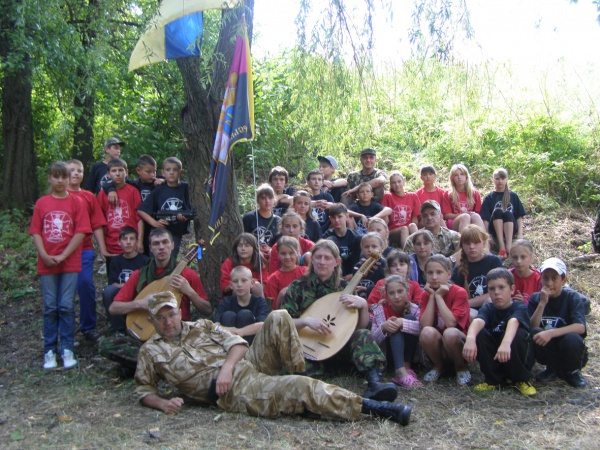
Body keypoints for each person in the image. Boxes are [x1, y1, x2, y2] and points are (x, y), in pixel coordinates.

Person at [135, 292, 412, 425]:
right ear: (151, 320)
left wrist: (227, 367)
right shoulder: (150, 351)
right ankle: (377, 408)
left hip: (245, 364)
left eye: (171, 314)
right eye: (161, 317)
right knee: (301, 387)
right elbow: (144, 390)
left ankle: (296, 378)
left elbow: (238, 343)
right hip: (232, 390)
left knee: (279, 316)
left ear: (178, 311)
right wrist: (162, 403)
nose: (168, 321)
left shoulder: (201, 325)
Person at [281, 240, 399, 402]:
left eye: (327, 258)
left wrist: (363, 306)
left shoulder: (345, 287)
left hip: (339, 348)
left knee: (363, 335)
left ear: (336, 262)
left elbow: (360, 326)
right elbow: (283, 323)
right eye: (318, 257)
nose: (322, 262)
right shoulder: (298, 287)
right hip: (309, 350)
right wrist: (306, 321)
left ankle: (375, 383)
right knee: (293, 367)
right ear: (312, 259)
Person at [99, 228, 211, 370]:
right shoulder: (140, 274)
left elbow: (207, 310)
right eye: (156, 243)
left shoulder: (187, 275)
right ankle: (158, 364)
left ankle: (145, 364)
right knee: (106, 345)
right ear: (150, 248)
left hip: (175, 336)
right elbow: (114, 308)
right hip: (146, 335)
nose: (161, 247)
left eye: (165, 242)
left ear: (172, 245)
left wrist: (189, 291)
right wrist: (140, 304)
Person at [29, 162, 92, 369]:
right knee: (50, 307)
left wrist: (65, 254)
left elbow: (81, 231)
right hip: (46, 262)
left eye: (63, 177)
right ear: (49, 178)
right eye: (56, 176)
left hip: (70, 262)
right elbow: (36, 231)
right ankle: (49, 350)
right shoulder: (42, 203)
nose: (60, 181)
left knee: (66, 306)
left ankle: (67, 348)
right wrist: (45, 255)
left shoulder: (77, 202)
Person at [462, 268, 536, 396]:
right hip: (496, 357)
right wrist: (470, 339)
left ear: (512, 289)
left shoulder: (520, 306)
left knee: (518, 333)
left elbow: (514, 321)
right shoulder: (488, 308)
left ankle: (520, 380)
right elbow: (478, 321)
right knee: (479, 333)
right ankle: (494, 380)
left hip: (513, 355)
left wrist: (506, 343)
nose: (496, 292)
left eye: (501, 287)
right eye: (492, 289)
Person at [66, 159, 111, 342]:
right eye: (71, 170)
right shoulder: (58, 196)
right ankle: (66, 332)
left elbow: (97, 224)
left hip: (84, 250)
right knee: (65, 292)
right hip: (61, 252)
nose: (76, 174)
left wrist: (102, 248)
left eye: (79, 170)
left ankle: (88, 327)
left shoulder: (88, 196)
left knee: (86, 285)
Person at [528, 258, 588, 388]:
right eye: (545, 278)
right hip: (548, 347)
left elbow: (580, 327)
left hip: (567, 345)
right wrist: (542, 303)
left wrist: (551, 333)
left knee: (572, 339)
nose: (549, 283)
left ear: (563, 280)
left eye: (554, 279)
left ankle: (572, 371)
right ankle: (552, 368)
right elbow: (532, 326)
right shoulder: (535, 298)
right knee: (535, 332)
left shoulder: (572, 297)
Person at [419, 255, 471, 385]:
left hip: (458, 342)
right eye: (430, 273)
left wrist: (439, 297)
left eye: (439, 272)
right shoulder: (426, 294)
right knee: (426, 332)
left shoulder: (459, 292)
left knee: (450, 333)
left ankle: (460, 368)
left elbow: (451, 323)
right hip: (439, 346)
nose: (434, 277)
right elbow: (425, 324)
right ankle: (438, 367)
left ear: (448, 274)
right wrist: (432, 296)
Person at [103, 155, 165, 255]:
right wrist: (111, 189)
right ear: (138, 170)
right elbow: (109, 183)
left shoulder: (157, 183)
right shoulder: (134, 184)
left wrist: (163, 180)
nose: (152, 175)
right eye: (148, 172)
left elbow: (171, 182)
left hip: (154, 224)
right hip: (140, 224)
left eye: (154, 172)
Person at [371, 275, 423, 388]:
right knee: (393, 325)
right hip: (389, 355)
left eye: (400, 291)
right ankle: (400, 371)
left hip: (411, 356)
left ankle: (406, 368)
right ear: (386, 295)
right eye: (391, 293)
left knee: (409, 319)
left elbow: (422, 329)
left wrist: (402, 322)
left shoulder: (414, 309)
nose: (396, 296)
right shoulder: (380, 311)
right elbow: (372, 340)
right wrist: (383, 327)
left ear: (407, 291)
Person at [138, 157, 192, 260]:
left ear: (181, 172)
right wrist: (154, 223)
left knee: (170, 260)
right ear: (163, 172)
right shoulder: (158, 189)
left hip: (175, 232)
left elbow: (189, 210)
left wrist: (185, 217)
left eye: (175, 170)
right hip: (159, 231)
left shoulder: (186, 188)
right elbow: (141, 210)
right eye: (168, 170)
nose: (171, 172)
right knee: (154, 260)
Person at [97, 158, 143, 273]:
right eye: (114, 171)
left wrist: (140, 240)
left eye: (120, 170)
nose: (117, 174)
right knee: (114, 279)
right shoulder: (102, 195)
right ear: (108, 174)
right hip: (112, 246)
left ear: (126, 172)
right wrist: (102, 247)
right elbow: (99, 223)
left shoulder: (133, 191)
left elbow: (139, 218)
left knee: (133, 278)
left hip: (132, 244)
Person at [102, 227, 149, 334]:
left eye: (131, 239)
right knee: (108, 291)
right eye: (124, 239)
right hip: (121, 295)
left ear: (137, 242)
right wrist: (127, 286)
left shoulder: (145, 260)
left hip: (139, 294)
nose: (128, 242)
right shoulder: (115, 261)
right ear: (119, 242)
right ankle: (118, 329)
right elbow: (112, 283)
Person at [451, 225, 503, 320]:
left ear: (484, 243)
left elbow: (498, 292)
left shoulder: (494, 262)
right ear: (462, 245)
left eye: (476, 243)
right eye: (467, 243)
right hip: (470, 312)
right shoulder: (459, 268)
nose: (472, 247)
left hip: (492, 308)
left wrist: (468, 303)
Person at [215, 266, 270, 344]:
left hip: (252, 345)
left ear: (252, 283)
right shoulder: (226, 301)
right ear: (231, 285)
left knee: (245, 314)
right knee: (228, 315)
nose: (239, 284)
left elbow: (263, 324)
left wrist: (240, 331)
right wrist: (231, 330)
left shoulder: (259, 302)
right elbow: (215, 326)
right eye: (235, 281)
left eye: (244, 281)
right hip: (228, 343)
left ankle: (245, 349)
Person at [480, 168, 527, 259]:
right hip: (495, 228)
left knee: (508, 213)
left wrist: (520, 233)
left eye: (502, 178)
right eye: (497, 179)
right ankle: (502, 246)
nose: (500, 181)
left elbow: (519, 216)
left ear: (506, 179)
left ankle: (508, 246)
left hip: (511, 226)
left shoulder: (513, 195)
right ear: (493, 179)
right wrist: (487, 234)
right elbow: (485, 218)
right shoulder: (489, 198)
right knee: (497, 211)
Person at [264, 236, 308, 308]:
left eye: (291, 253)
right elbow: (273, 307)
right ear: (277, 254)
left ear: (297, 253)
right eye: (283, 253)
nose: (287, 257)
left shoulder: (306, 272)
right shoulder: (273, 279)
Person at [220, 233, 267, 299]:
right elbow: (225, 288)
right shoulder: (229, 262)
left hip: (254, 296)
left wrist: (250, 283)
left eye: (247, 245)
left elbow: (263, 284)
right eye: (240, 245)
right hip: (233, 297)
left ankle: (261, 306)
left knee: (256, 286)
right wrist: (244, 282)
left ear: (254, 248)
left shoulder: (259, 263)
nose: (243, 248)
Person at [242, 184, 281, 264]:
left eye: (270, 198)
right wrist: (256, 248)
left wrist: (270, 249)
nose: (267, 201)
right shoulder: (249, 218)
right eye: (263, 198)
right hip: (252, 256)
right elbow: (243, 239)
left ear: (274, 199)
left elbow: (280, 243)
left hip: (272, 257)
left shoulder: (278, 221)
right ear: (257, 200)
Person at [322, 203, 362, 277]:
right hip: (334, 272)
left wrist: (353, 274)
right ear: (330, 219)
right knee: (330, 241)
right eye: (333, 217)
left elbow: (360, 259)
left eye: (339, 216)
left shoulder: (355, 236)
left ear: (347, 217)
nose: (336, 220)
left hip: (352, 272)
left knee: (360, 240)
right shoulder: (327, 236)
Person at [382, 171, 420, 248]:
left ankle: (419, 247)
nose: (397, 184)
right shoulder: (388, 197)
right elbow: (385, 219)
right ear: (390, 185)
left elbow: (415, 219)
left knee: (412, 225)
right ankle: (406, 252)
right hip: (393, 231)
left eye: (399, 181)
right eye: (394, 182)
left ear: (404, 182)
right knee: (404, 229)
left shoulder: (413, 196)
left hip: (409, 230)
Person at [444, 164, 484, 233]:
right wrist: (464, 215)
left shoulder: (474, 193)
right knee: (465, 217)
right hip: (454, 222)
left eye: (462, 174)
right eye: (456, 175)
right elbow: (446, 215)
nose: (459, 177)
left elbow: (478, 212)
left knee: (476, 216)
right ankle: (463, 239)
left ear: (466, 176)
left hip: (471, 220)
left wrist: (470, 215)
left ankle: (484, 238)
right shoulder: (448, 194)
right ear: (452, 178)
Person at [352, 232, 386, 299]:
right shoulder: (358, 265)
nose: (370, 250)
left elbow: (386, 288)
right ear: (362, 248)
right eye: (366, 247)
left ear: (382, 248)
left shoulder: (385, 266)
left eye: (374, 246)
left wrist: (366, 289)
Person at [508, 239, 541, 304]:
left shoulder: (538, 279)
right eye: (515, 257)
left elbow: (541, 303)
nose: (518, 261)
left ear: (531, 258)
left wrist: (525, 302)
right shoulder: (507, 276)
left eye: (523, 257)